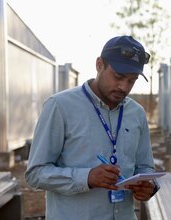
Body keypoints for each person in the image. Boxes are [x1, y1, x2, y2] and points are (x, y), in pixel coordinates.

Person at [25, 35, 160, 220]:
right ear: (99, 64)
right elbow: (35, 173)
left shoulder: (136, 113)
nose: (124, 86)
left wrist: (149, 185)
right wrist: (86, 177)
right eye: (118, 76)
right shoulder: (60, 106)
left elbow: (145, 167)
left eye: (132, 80)